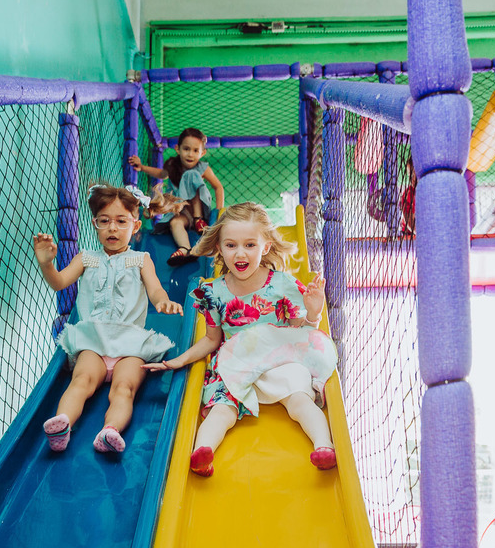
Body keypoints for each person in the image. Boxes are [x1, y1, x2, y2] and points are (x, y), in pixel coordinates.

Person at [144, 202, 338, 476]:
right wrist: (179, 360)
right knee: (222, 409)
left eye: (249, 245)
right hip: (236, 363)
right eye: (231, 245)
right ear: (219, 248)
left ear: (265, 247)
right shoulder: (213, 292)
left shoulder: (283, 284)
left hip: (279, 360)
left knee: (299, 399)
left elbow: (299, 333)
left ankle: (324, 447)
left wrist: (314, 312)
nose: (240, 253)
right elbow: (212, 339)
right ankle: (202, 452)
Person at [34, 183, 184, 452]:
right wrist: (47, 263)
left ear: (135, 226)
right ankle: (62, 425)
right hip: (94, 342)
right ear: (95, 223)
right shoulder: (86, 258)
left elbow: (155, 289)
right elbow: (59, 282)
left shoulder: (140, 259)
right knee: (81, 381)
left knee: (124, 389)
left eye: (121, 221)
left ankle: (109, 431)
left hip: (129, 346)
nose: (112, 228)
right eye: (104, 221)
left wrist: (163, 301)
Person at [128, 127, 225, 267]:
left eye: (195, 150)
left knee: (190, 175)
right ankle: (185, 249)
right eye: (186, 149)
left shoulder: (202, 168)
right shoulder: (173, 166)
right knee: (175, 223)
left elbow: (218, 187)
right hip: (181, 211)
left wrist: (219, 212)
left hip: (199, 211)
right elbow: (161, 174)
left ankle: (198, 219)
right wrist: (142, 167)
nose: (190, 154)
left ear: (202, 153)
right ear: (177, 149)